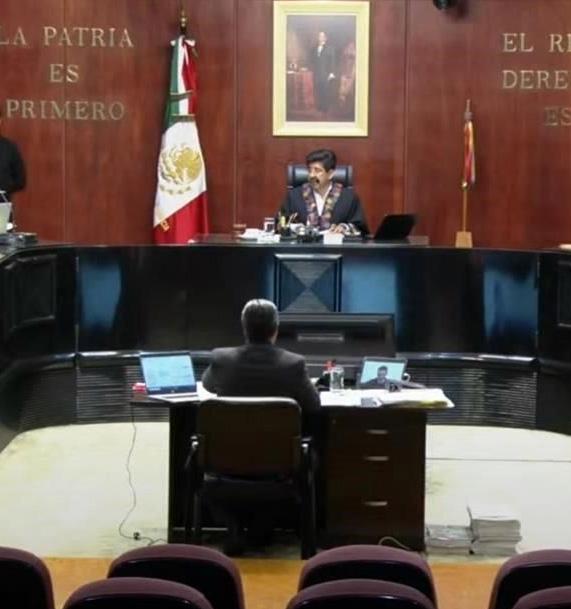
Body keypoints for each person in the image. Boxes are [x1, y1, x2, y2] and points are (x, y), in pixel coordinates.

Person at [201, 298, 320, 555]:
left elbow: (208, 386)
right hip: (278, 461)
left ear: (244, 327)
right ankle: (261, 528)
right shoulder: (293, 364)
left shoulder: (222, 359)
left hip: (225, 458)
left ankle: (234, 527)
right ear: (275, 329)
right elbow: (313, 405)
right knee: (311, 454)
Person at [279, 148, 368, 235]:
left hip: (335, 244)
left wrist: (344, 227)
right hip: (303, 244)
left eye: (317, 170)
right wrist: (297, 228)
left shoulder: (348, 197)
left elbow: (359, 227)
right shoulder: (294, 196)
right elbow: (281, 223)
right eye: (310, 170)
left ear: (330, 174)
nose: (312, 175)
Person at [0, 110, 26, 204]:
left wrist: (4, 187)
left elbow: (20, 181)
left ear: (0, 121)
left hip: (2, 206)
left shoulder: (9, 148)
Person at [311, 31, 336, 114]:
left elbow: (332, 61)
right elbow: (313, 61)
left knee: (325, 90)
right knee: (318, 90)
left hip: (326, 73)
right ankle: (320, 106)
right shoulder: (314, 48)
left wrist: (331, 73)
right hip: (317, 73)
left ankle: (325, 108)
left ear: (325, 38)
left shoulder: (330, 48)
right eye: (319, 36)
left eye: (322, 36)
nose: (320, 38)